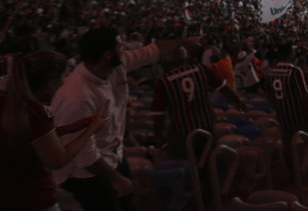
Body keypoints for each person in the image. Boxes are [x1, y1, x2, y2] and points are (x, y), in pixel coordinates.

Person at [52, 28, 199, 211]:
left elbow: (151, 52)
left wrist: (182, 42)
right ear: (107, 55)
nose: (124, 50)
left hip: (113, 156)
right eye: (120, 46)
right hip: (86, 173)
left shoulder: (115, 65)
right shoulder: (77, 97)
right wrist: (116, 178)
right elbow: (84, 155)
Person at [1, 51, 106, 211]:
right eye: (64, 76)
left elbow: (27, 137)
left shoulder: (8, 102)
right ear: (50, 83)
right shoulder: (33, 111)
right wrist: (91, 129)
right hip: (31, 198)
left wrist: (71, 128)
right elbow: (57, 160)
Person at [263, 45, 308, 173]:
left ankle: (292, 173)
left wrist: (277, 107)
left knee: (287, 146)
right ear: (289, 54)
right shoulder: (294, 72)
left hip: (283, 116)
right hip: (300, 116)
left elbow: (268, 94)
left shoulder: (270, 72)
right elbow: (304, 95)